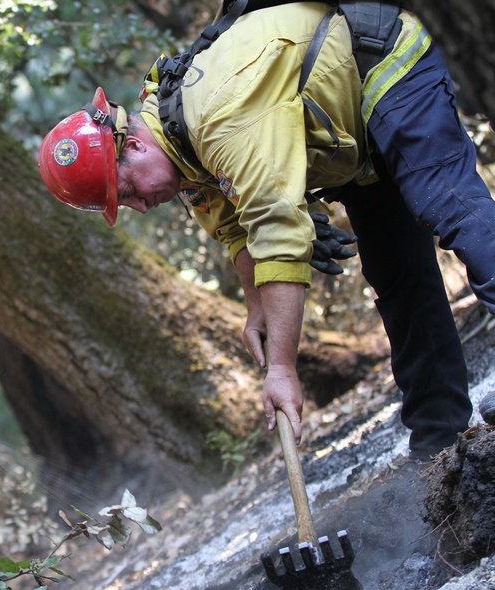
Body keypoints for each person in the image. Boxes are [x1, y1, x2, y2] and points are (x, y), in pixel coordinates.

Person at [39, 1, 495, 461]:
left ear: (133, 145)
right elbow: (238, 229)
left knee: (449, 205)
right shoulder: (181, 146)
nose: (139, 207)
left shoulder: (218, 119)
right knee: (399, 277)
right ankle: (440, 440)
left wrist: (281, 367)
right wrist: (256, 306)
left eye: (130, 191)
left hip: (382, 65)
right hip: (350, 135)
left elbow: (278, 233)